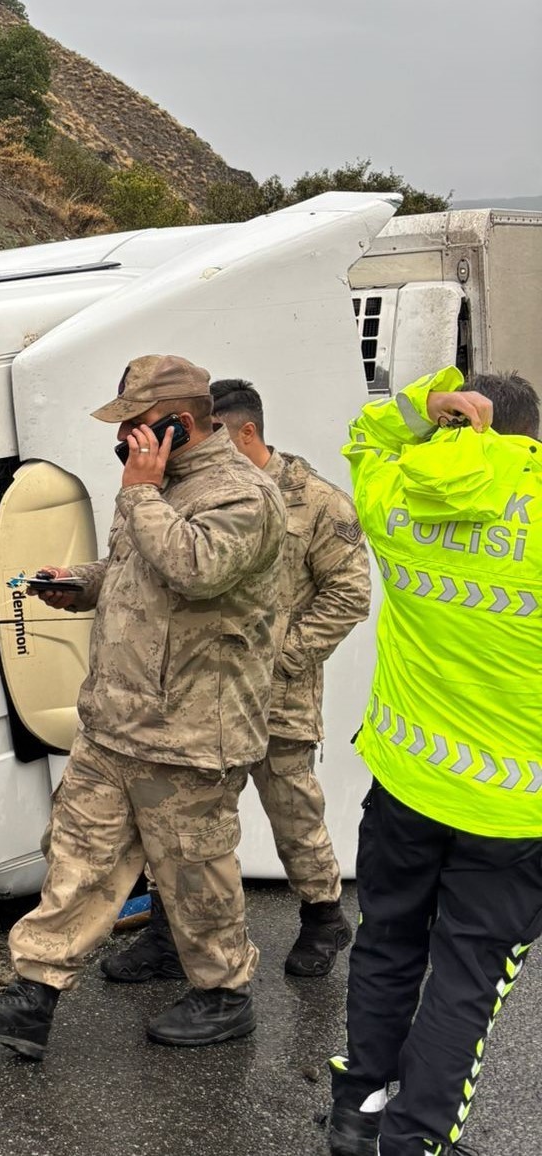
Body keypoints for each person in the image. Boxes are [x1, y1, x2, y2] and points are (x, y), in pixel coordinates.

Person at [0, 353, 285, 1057]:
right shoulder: (155, 488)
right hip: (116, 721)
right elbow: (142, 571)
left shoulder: (242, 496)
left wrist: (140, 491)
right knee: (77, 857)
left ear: (180, 424)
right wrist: (83, 582)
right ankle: (32, 999)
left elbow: (196, 569)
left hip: (191, 729)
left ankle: (224, 995)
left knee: (195, 870)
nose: (125, 440)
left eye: (135, 426)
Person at [325, 369, 542, 1156]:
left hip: (409, 786)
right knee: (466, 979)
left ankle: (357, 1115)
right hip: (518, 815)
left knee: (387, 942)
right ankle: (412, 1142)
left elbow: (365, 435)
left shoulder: (396, 501)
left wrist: (423, 407)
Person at [103, 379, 371, 984]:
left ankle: (324, 917)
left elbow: (349, 594)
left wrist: (282, 658)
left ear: (244, 431)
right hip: (199, 699)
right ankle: (169, 938)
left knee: (293, 811)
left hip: (276, 696)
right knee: (184, 824)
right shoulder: (184, 493)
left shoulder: (319, 503)